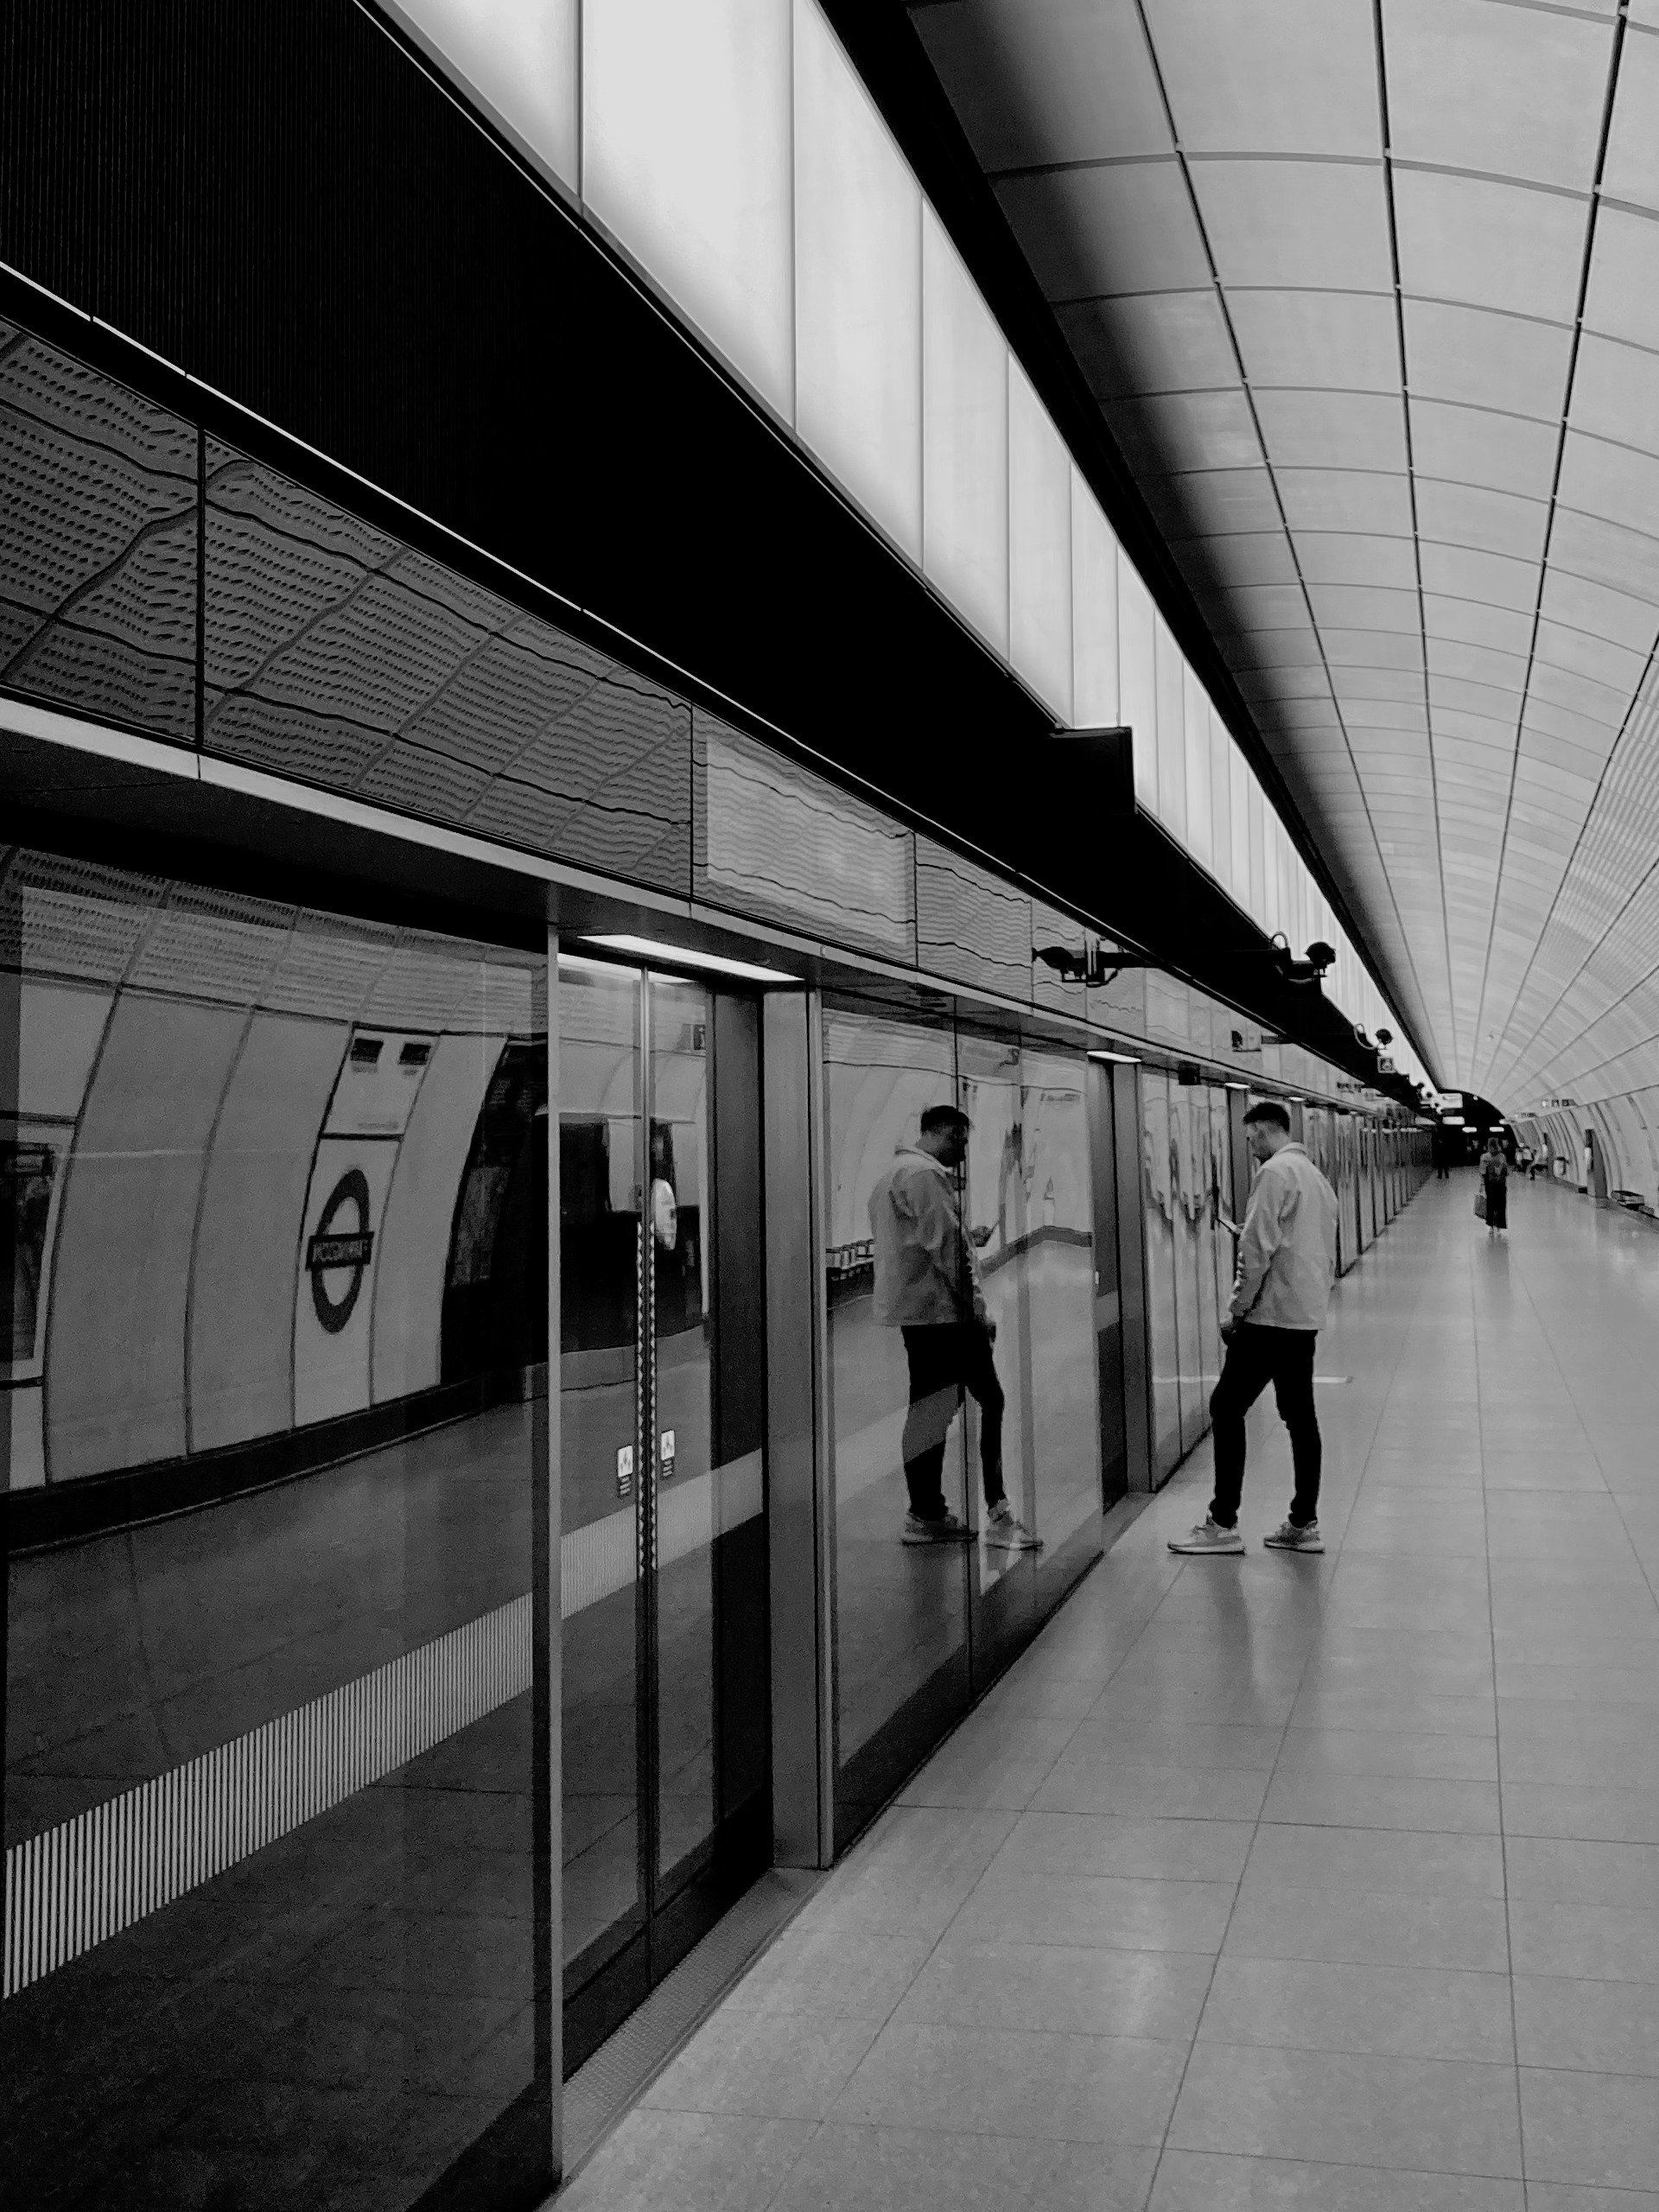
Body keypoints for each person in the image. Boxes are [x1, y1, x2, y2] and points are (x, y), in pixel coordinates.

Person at [1170, 1098, 1338, 1557]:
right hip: (1303, 1317)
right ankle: (1304, 1522)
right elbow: (1305, 1241)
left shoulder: (1274, 1174)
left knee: (1226, 1407)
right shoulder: (1315, 1178)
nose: (1250, 1150)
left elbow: (1257, 1250)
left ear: (1265, 1132)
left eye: (1250, 1140)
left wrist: (1236, 1310)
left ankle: (1222, 1522)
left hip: (1269, 1317)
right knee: (1300, 1418)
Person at [868, 1103, 1040, 1551]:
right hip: (945, 1315)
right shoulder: (924, 1176)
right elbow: (947, 1253)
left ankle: (925, 1513)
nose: (962, 1154)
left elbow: (927, 1238)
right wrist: (978, 1311)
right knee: (990, 1399)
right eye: (960, 1142)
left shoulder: (893, 1173)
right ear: (943, 1131)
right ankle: (998, 1512)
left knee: (931, 1410)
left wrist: (968, 1235)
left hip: (919, 1316)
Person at [1481, 1134, 1509, 1232]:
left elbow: (1483, 1172)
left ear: (1488, 1145)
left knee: (1490, 1204)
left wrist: (1482, 1184)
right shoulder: (1502, 1156)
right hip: (1501, 1184)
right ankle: (1499, 1225)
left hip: (1490, 1184)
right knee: (1500, 1204)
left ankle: (1491, 1226)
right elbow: (1506, 1172)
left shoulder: (1485, 1156)